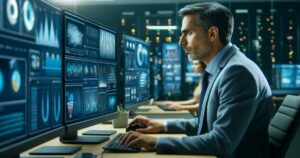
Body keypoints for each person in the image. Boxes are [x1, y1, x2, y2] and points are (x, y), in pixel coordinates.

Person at [120, 2, 273, 158]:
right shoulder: (224, 67)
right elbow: (207, 122)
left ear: (212, 34)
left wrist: (156, 142)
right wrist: (163, 126)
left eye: (188, 33)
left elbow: (222, 141)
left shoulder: (237, 73)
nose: (181, 41)